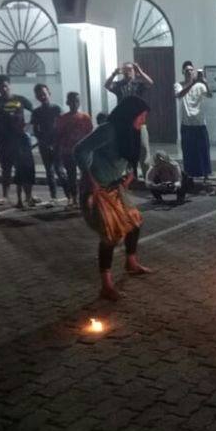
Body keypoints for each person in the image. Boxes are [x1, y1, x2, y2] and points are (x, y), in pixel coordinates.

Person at [75, 96, 152, 300]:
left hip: (115, 187)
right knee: (109, 235)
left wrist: (129, 172)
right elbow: (80, 150)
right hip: (97, 190)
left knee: (134, 221)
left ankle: (131, 262)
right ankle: (106, 285)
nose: (143, 121)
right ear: (130, 115)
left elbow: (126, 156)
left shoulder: (130, 131)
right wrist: (88, 177)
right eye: (141, 116)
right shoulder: (108, 130)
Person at [105, 62, 154, 177]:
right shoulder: (119, 85)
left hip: (139, 122)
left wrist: (140, 71)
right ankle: (130, 177)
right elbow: (107, 86)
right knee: (127, 149)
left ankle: (147, 176)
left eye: (130, 70)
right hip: (124, 123)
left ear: (134, 71)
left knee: (143, 148)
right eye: (125, 70)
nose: (128, 72)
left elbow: (150, 82)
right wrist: (113, 74)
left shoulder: (138, 85)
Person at [0, 74, 34, 206]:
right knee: (6, 168)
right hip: (4, 140)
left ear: (9, 85)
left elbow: (34, 112)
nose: (3, 89)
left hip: (20, 139)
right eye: (0, 87)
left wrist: (28, 127)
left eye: (5, 85)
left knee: (23, 168)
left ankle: (28, 195)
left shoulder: (20, 100)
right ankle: (5, 195)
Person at [174, 61, 213, 182]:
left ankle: (205, 175)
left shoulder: (200, 86)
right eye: (187, 70)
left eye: (191, 70)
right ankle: (189, 176)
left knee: (203, 150)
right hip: (186, 124)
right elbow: (180, 95)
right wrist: (193, 82)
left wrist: (205, 82)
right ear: (183, 72)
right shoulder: (178, 85)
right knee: (188, 151)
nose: (189, 72)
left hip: (200, 122)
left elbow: (210, 95)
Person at [54, 92, 93, 208]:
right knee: (71, 175)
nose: (75, 103)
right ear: (67, 102)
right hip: (68, 151)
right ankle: (73, 198)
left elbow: (90, 134)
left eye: (77, 100)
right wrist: (58, 149)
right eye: (72, 101)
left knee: (86, 175)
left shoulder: (85, 117)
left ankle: (85, 198)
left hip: (82, 152)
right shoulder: (62, 119)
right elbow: (58, 135)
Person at [31, 83, 66, 206]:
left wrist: (57, 141)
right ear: (37, 97)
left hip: (57, 144)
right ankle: (53, 197)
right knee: (49, 171)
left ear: (49, 93)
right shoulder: (36, 112)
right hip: (44, 145)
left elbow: (62, 127)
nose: (43, 96)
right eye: (40, 94)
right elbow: (35, 129)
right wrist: (42, 141)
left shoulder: (57, 108)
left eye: (44, 93)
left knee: (59, 170)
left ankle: (70, 195)